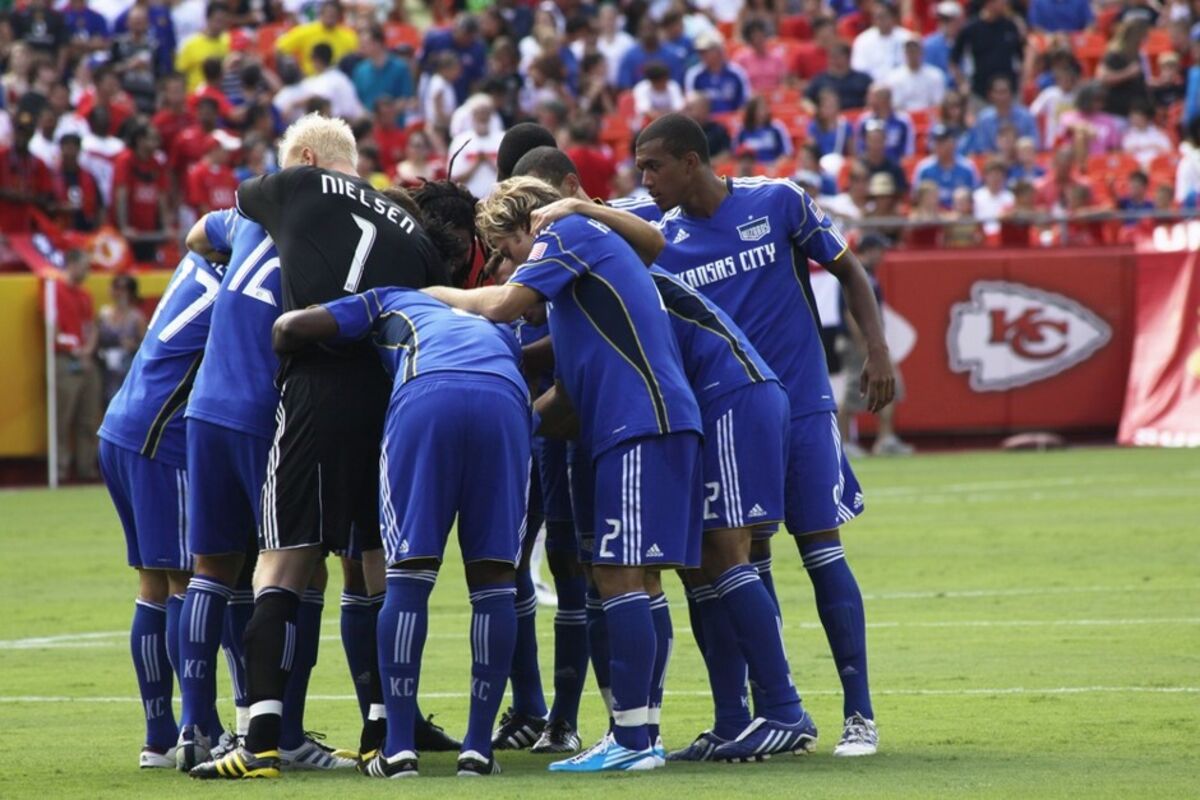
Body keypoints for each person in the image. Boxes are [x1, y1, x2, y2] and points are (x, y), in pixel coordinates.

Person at [191, 113, 447, 780]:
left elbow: (213, 226)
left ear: (304, 156)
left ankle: (261, 742)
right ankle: (382, 737)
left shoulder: (294, 184)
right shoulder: (414, 231)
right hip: (388, 396)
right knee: (374, 565)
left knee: (282, 563)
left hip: (313, 386)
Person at [423, 176, 704, 772]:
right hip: (645, 420)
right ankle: (640, 733)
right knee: (639, 578)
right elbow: (568, 387)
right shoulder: (577, 281)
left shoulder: (565, 232)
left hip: (639, 422)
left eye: (505, 247)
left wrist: (428, 294)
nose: (507, 264)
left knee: (618, 574)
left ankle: (633, 741)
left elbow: (500, 305)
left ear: (527, 224)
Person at [638, 113, 894, 758]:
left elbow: (850, 270)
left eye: (654, 167)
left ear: (691, 161)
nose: (645, 181)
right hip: (729, 417)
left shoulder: (777, 200)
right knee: (743, 558)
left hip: (803, 403)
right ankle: (761, 715)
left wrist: (878, 352)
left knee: (821, 549)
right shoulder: (660, 238)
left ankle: (859, 715)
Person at [273, 276, 527, 780]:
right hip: (504, 398)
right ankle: (478, 750)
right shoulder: (499, 311)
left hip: (426, 392)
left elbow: (292, 325)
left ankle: (400, 748)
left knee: (408, 575)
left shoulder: (388, 297)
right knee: (495, 581)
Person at [97, 250, 219, 768]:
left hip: (120, 428)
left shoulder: (194, 267)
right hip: (159, 438)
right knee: (188, 583)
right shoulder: (231, 292)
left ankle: (160, 737)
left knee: (153, 584)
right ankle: (197, 730)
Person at [837, 234, 912, 456]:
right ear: (868, 250)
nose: (882, 255)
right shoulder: (856, 274)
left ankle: (885, 439)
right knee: (853, 391)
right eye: (879, 250)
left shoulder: (868, 276)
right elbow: (849, 314)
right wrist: (867, 345)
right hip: (856, 343)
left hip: (866, 343)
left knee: (889, 385)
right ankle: (845, 442)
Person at [950, 0, 1023, 100]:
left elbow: (1021, 58)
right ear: (989, 3)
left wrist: (1021, 83)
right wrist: (962, 84)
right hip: (980, 93)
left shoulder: (1010, 26)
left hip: (1008, 93)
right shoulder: (971, 28)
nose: (1004, 3)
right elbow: (954, 60)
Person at [97, 274, 147, 405]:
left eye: (124, 289)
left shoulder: (137, 317)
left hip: (126, 366)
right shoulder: (104, 314)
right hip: (105, 365)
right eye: (117, 288)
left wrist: (133, 345)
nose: (120, 293)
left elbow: (145, 345)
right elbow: (96, 337)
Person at [275, 0, 359, 76]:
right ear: (321, 14)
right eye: (328, 13)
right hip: (310, 79)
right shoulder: (306, 31)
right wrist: (296, 71)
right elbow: (280, 48)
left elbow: (357, 56)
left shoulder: (349, 36)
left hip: (337, 78)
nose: (330, 17)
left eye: (333, 15)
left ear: (339, 16)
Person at [967, 75, 1039, 154]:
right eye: (998, 93)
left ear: (1011, 94)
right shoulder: (984, 119)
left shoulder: (1026, 117)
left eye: (1004, 92)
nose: (1001, 97)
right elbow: (981, 148)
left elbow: (1035, 143)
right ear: (991, 95)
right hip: (994, 162)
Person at [914, 123, 979, 207]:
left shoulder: (967, 168)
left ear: (953, 143)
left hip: (960, 218)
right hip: (932, 217)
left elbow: (975, 197)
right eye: (936, 141)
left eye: (942, 141)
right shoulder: (924, 168)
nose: (938, 145)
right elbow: (916, 198)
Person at [684, 34, 751, 114]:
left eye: (706, 51)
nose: (702, 55)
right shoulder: (694, 74)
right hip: (704, 123)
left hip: (731, 121)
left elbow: (744, 101)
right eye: (700, 52)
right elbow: (691, 104)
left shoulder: (736, 73)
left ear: (719, 50)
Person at [353, 26, 413, 112]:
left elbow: (405, 98)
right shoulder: (360, 70)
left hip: (395, 124)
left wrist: (386, 113)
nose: (361, 47)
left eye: (365, 43)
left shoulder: (400, 68)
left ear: (378, 43)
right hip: (369, 123)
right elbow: (357, 99)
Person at [850, 2, 914, 83]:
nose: (881, 21)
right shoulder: (863, 40)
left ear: (893, 17)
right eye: (877, 17)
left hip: (903, 86)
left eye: (884, 17)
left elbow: (915, 67)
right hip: (873, 88)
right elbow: (859, 69)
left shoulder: (907, 37)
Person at [299, 43, 365, 121]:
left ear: (318, 60)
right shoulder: (340, 76)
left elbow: (316, 100)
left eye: (313, 59)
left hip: (342, 122)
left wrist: (293, 103)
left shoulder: (331, 79)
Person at [175, 2, 230, 93]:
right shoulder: (190, 44)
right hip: (195, 98)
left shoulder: (228, 41)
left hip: (219, 97)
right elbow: (179, 74)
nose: (220, 25)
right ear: (208, 19)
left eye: (224, 21)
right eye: (218, 21)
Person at [805, 42, 873, 111]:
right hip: (830, 118)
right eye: (832, 57)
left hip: (859, 117)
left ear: (848, 58)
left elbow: (873, 97)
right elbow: (806, 100)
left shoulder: (863, 79)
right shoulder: (819, 80)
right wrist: (816, 112)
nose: (835, 61)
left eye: (839, 57)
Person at [884, 38, 946, 112]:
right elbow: (895, 105)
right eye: (909, 51)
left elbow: (938, 103)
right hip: (904, 117)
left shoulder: (935, 75)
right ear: (904, 53)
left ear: (922, 53)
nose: (912, 54)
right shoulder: (894, 76)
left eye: (915, 51)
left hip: (929, 117)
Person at [736, 95, 793, 164]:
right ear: (752, 111)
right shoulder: (743, 130)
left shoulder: (776, 128)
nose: (763, 112)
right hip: (750, 170)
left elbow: (786, 154)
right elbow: (735, 155)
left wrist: (774, 167)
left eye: (765, 108)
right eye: (759, 109)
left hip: (772, 169)